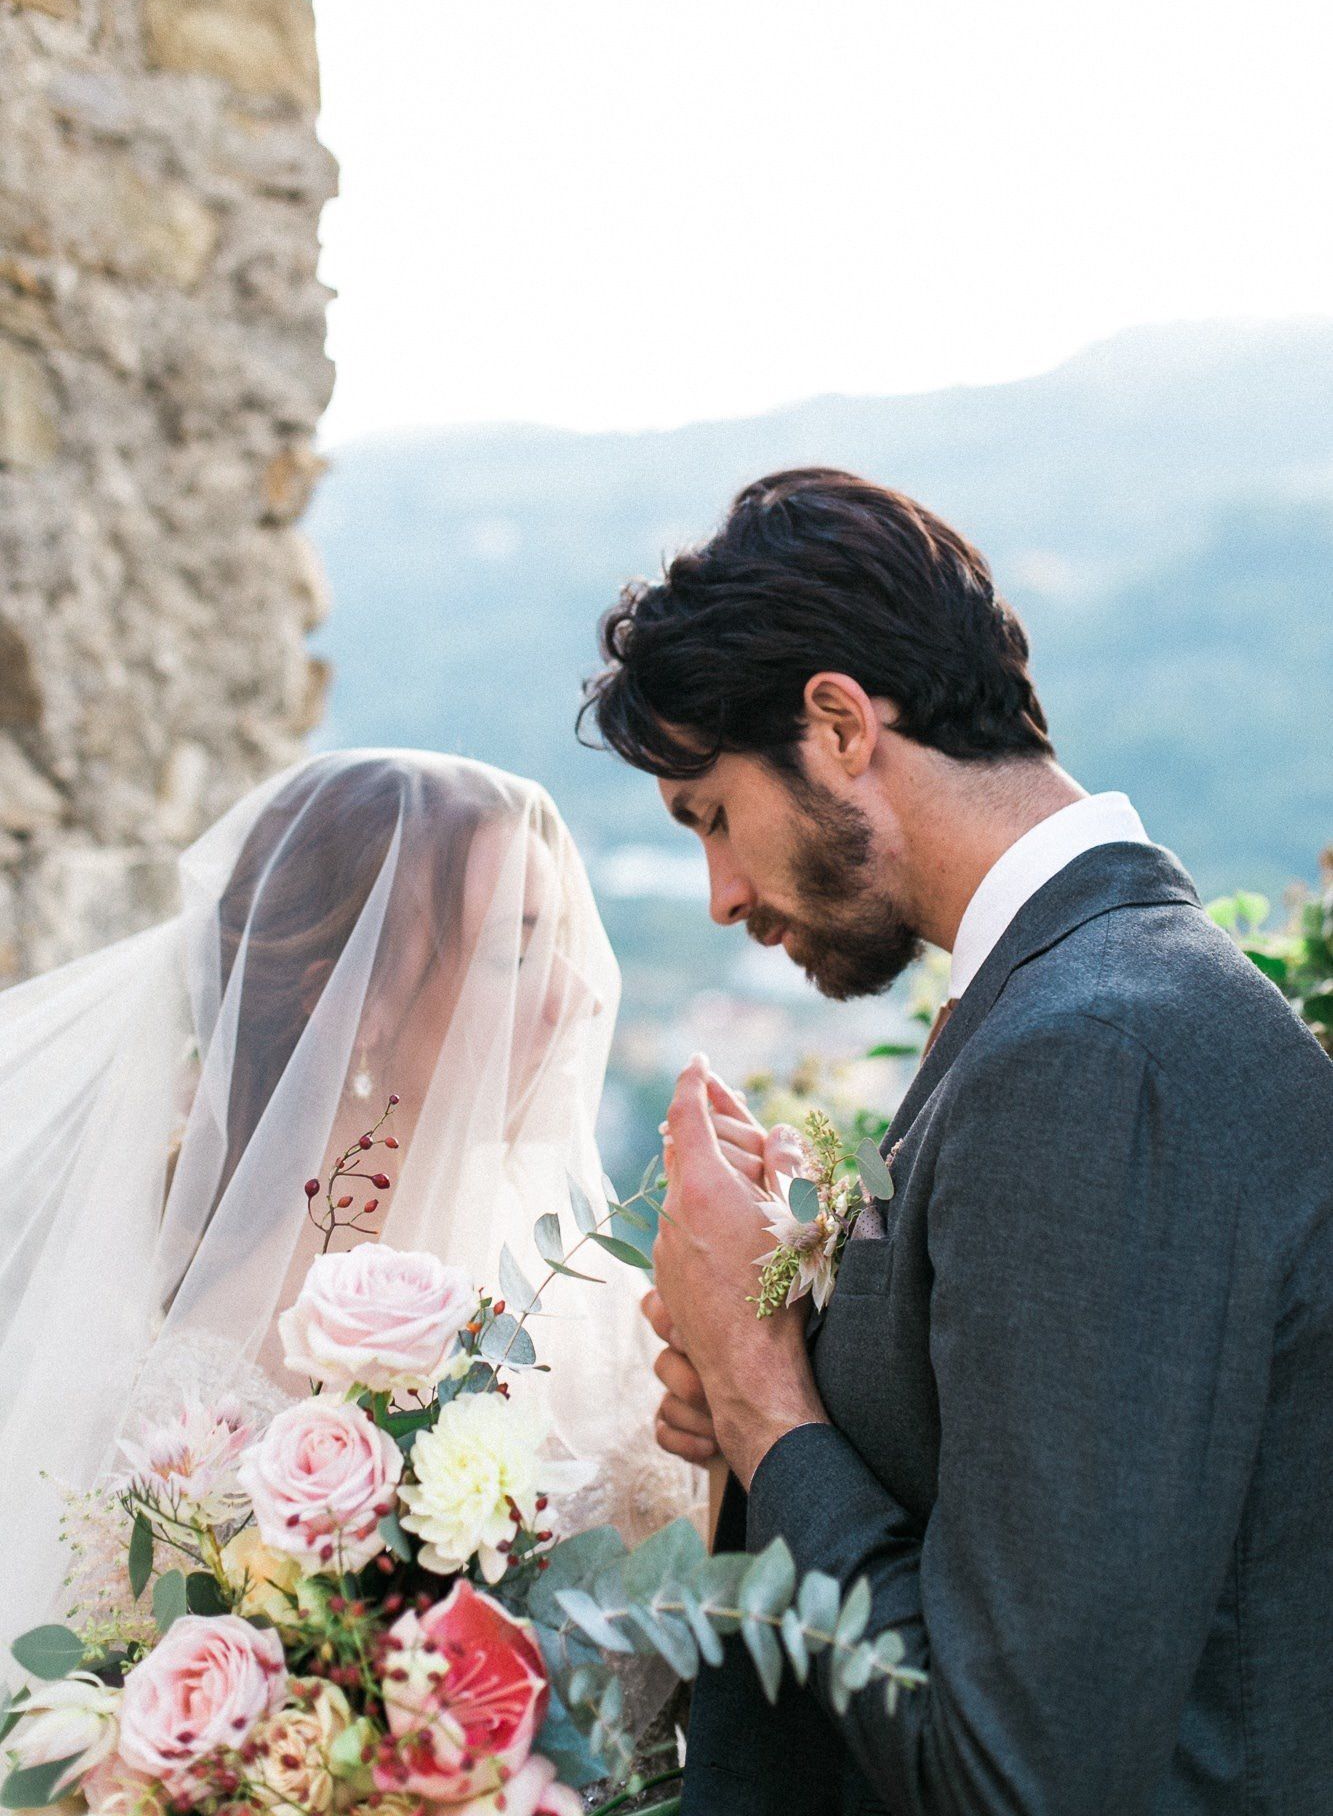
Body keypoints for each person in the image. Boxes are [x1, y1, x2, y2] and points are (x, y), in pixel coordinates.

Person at [585, 468, 1333, 1815]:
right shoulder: (1082, 1002)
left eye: (712, 816)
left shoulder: (1095, 1059)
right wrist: (796, 1351)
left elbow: (1016, 1769)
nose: (721, 894)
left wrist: (763, 1394)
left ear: (836, 726)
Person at [0, 750, 694, 1649]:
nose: (573, 995)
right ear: (349, 1000)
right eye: (514, 952)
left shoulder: (601, 1293)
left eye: (559, 940)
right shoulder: (200, 1423)